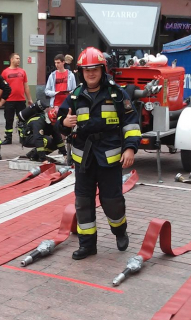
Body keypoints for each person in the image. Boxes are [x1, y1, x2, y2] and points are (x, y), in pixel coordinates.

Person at [56, 46, 141, 260]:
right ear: (81, 73)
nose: (91, 73)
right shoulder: (75, 97)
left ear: (103, 69)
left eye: (95, 69)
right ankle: (87, 245)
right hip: (83, 158)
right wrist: (64, 123)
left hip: (109, 157)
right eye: (86, 70)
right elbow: (60, 122)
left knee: (112, 201)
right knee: (83, 202)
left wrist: (130, 148)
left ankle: (120, 231)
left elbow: (131, 122)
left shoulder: (117, 94)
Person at [1, 54, 32, 145]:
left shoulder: (23, 72)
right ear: (11, 60)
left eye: (19, 58)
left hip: (21, 100)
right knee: (9, 119)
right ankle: (8, 138)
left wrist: (29, 99)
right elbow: (1, 88)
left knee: (22, 120)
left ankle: (22, 137)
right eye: (17, 58)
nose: (19, 60)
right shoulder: (5, 72)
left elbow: (26, 86)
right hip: (9, 100)